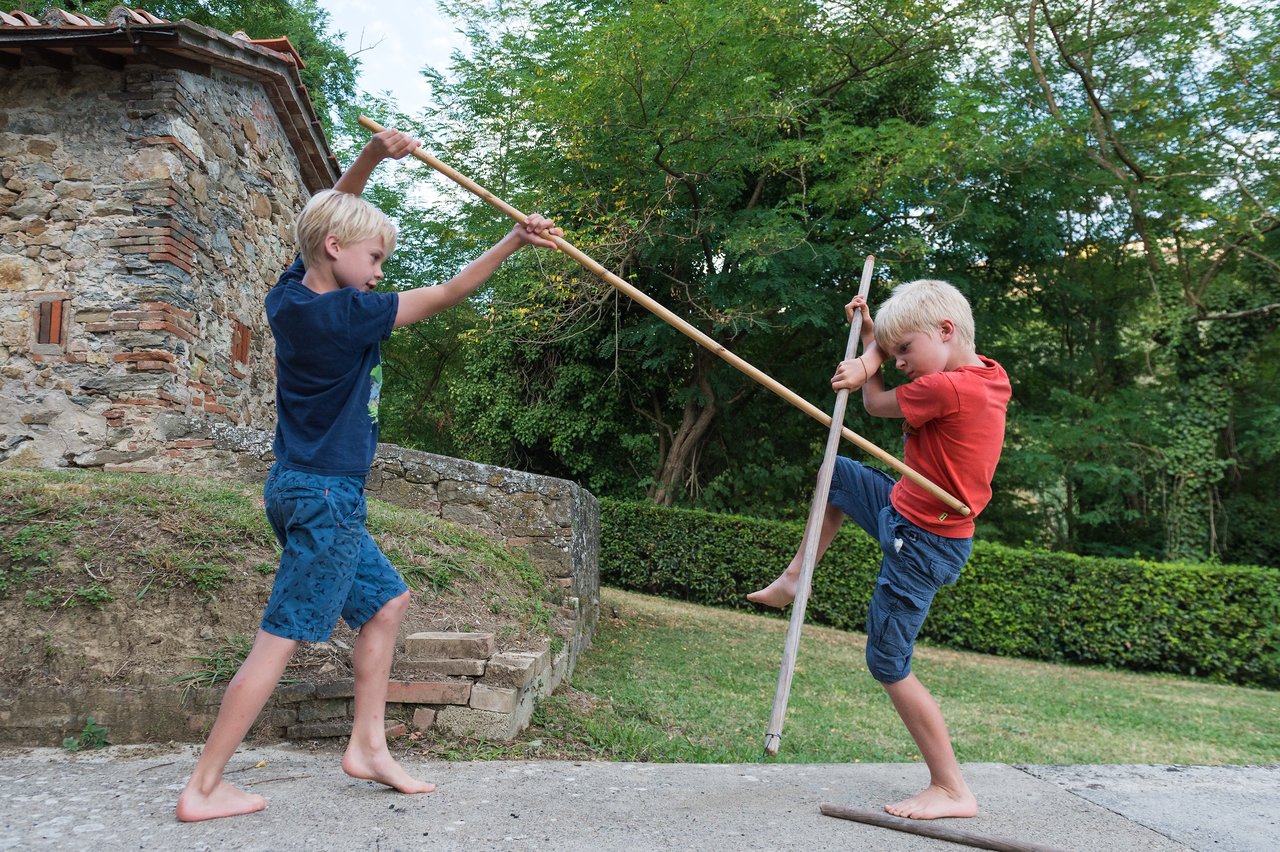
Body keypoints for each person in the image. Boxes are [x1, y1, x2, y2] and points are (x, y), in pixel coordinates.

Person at [176, 128, 563, 822]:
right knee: (281, 637)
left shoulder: (289, 300)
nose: (381, 271)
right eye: (376, 257)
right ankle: (203, 787)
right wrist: (513, 240)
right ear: (337, 250)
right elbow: (446, 291)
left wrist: (371, 160)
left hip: (298, 488)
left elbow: (321, 218)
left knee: (386, 602)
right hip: (327, 497)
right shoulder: (351, 315)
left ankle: (368, 745)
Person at [748, 279, 1011, 821]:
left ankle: (952, 788)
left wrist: (870, 362)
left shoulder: (946, 389)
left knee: (888, 661)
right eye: (896, 355)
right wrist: (875, 341)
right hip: (903, 510)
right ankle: (798, 575)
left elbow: (874, 401)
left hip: (922, 543)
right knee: (838, 473)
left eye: (905, 351)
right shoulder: (987, 374)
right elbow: (874, 400)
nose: (903, 363)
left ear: (944, 331)